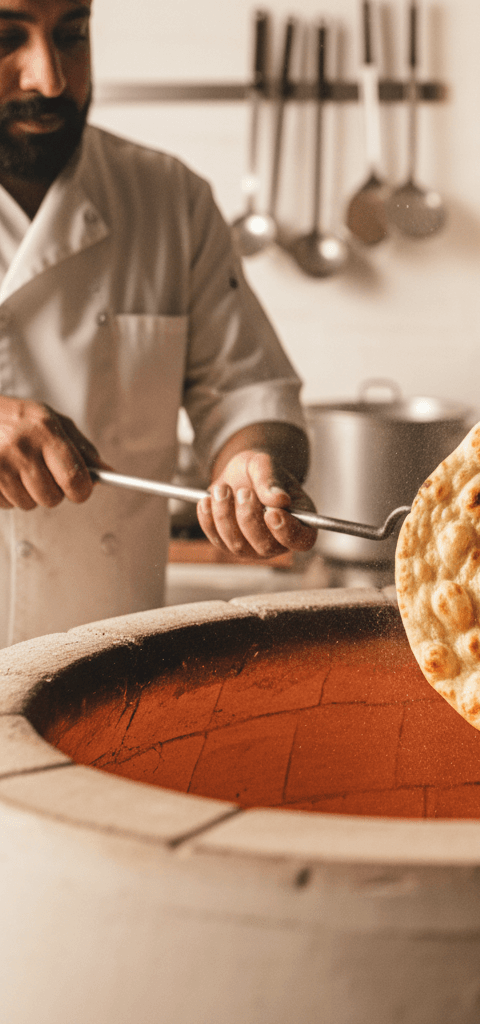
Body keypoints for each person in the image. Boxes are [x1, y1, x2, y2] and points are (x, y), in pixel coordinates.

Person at [0, 0, 317, 646]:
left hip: (106, 667)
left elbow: (248, 394)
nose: (51, 79)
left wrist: (253, 467)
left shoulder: (169, 199)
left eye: (73, 36)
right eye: (7, 38)